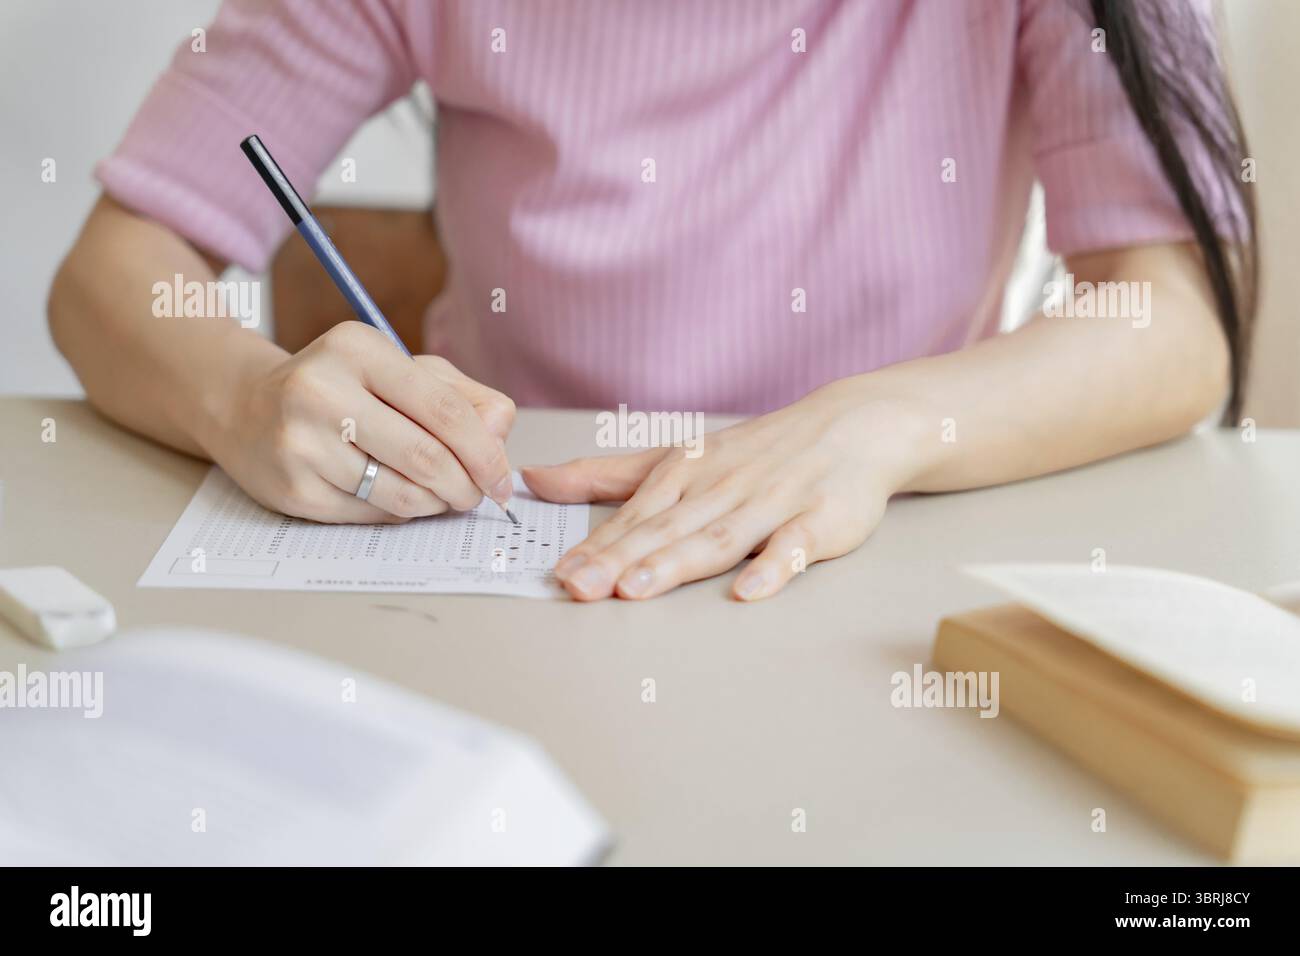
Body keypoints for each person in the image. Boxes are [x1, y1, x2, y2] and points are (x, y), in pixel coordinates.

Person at [48, 1, 1256, 602]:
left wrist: (872, 428)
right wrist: (240, 392)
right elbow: (116, 266)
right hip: (512, 573)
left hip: (891, 570)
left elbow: (1168, 320)